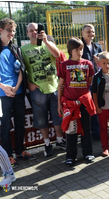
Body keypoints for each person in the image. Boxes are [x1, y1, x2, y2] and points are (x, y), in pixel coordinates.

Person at [21, 22, 66, 157]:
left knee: (57, 116)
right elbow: (22, 70)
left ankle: (59, 140)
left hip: (53, 87)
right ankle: (47, 144)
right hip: (38, 89)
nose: (34, 32)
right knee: (41, 118)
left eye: (36, 30)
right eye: (31, 30)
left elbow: (57, 55)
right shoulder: (23, 49)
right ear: (27, 33)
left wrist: (45, 40)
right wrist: (29, 83)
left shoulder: (47, 44)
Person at [0, 18, 36, 168]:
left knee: (21, 122)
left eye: (13, 30)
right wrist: (4, 87)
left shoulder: (15, 48)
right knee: (6, 125)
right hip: (3, 94)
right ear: (0, 30)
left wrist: (17, 86)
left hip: (18, 91)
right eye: (9, 30)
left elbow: (22, 70)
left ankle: (21, 150)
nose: (12, 33)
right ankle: (8, 155)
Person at [57, 37, 96, 166]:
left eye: (81, 49)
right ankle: (70, 156)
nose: (80, 52)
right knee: (71, 131)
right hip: (70, 105)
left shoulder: (88, 64)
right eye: (77, 50)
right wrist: (59, 104)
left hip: (84, 103)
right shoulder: (64, 65)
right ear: (70, 50)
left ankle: (88, 153)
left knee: (86, 128)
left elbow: (89, 82)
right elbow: (61, 85)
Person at [81, 24, 103, 141]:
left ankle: (96, 131)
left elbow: (104, 61)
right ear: (82, 33)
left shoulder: (98, 46)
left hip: (96, 81)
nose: (91, 34)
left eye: (92, 31)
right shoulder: (79, 46)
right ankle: (86, 132)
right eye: (88, 32)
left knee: (96, 106)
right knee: (86, 109)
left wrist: (99, 60)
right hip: (84, 82)